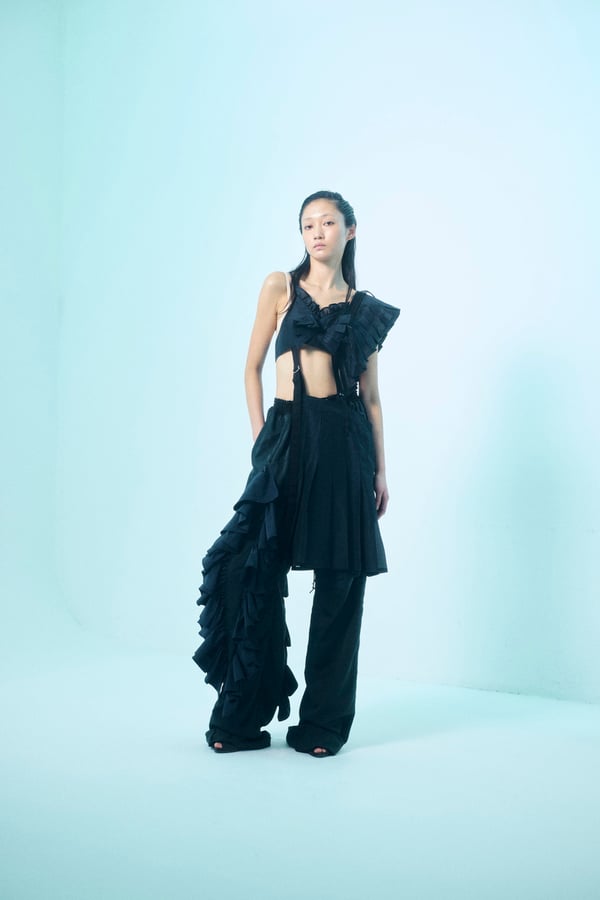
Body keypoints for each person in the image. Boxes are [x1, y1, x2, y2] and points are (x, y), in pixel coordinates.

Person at [193, 190, 400, 757]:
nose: (317, 232)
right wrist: (263, 437)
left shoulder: (363, 310)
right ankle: (239, 719)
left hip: (345, 444)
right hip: (286, 435)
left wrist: (381, 471)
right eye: (308, 224)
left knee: (341, 581)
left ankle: (323, 726)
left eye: (328, 222)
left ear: (350, 231)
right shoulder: (280, 287)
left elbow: (372, 398)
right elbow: (251, 368)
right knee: (253, 566)